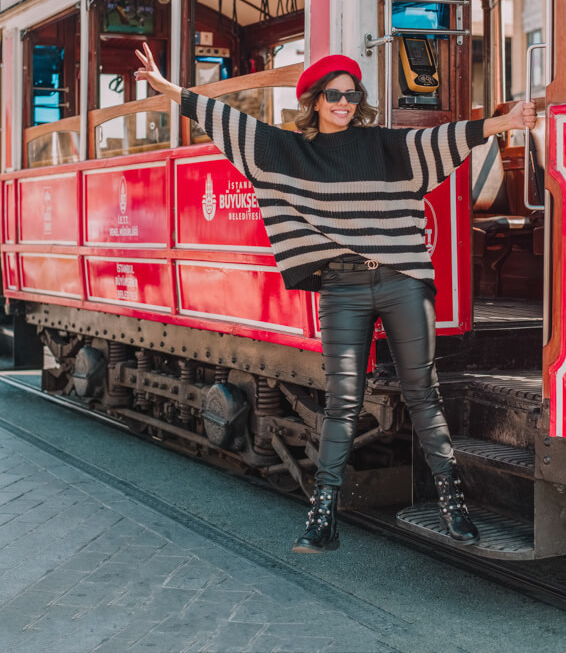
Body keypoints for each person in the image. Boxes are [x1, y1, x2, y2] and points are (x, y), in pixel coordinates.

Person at [134, 43, 536, 553]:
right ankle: (322, 520)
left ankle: (453, 507)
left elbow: (444, 138)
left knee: (422, 393)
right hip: (342, 287)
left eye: (351, 94)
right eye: (333, 95)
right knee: (343, 403)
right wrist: (170, 90)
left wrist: (505, 123)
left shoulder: (385, 146)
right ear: (315, 101)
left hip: (401, 280)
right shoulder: (290, 151)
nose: (344, 103)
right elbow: (229, 122)